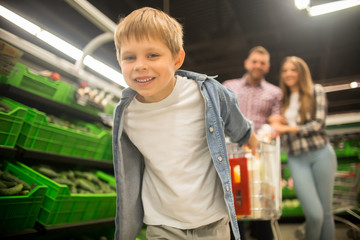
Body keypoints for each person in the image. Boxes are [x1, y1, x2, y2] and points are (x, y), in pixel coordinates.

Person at [112, 7, 258, 240]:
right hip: (161, 224)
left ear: (177, 59)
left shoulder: (206, 94)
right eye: (130, 57)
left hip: (212, 221)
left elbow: (236, 121)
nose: (140, 65)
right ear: (119, 60)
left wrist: (251, 140)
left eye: (152, 55)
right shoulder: (126, 115)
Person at [269, 56, 337, 240]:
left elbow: (318, 124)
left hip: (321, 153)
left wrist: (288, 128)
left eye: (293, 69)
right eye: (285, 70)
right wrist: (274, 123)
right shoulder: (282, 99)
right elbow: (275, 125)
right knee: (314, 215)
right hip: (296, 158)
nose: (288, 73)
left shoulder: (316, 91)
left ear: (302, 72)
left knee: (326, 212)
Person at [222, 46, 282, 240]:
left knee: (261, 205)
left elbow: (275, 121)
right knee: (234, 206)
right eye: (254, 61)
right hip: (232, 152)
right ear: (247, 63)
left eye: (262, 63)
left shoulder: (275, 93)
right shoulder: (229, 86)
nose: (258, 65)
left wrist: (271, 132)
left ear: (268, 67)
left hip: (259, 155)